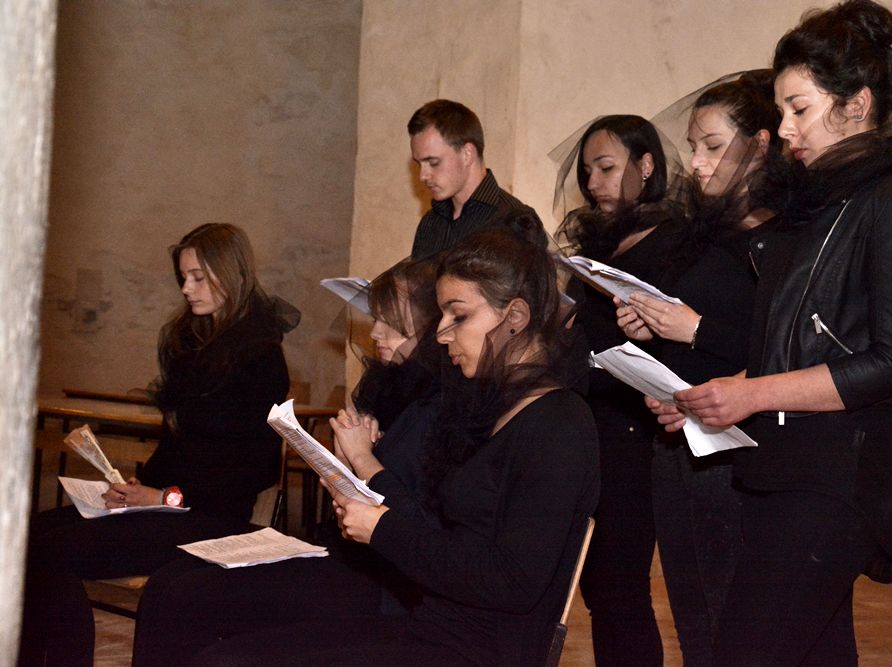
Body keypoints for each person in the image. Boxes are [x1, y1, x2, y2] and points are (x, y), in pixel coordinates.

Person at [648, 1, 892, 663]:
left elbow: (891, 362)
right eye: (781, 109)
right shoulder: (814, 207)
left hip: (839, 477)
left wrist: (755, 393)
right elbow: (792, 348)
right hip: (779, 468)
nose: (785, 126)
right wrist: (712, 396)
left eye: (799, 107)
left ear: (856, 105)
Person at [137, 228, 599, 666]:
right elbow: (440, 533)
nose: (440, 333)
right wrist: (365, 488)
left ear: (515, 317)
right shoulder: (495, 410)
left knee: (225, 659)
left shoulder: (559, 425)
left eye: (458, 316)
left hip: (476, 652)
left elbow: (511, 582)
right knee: (216, 648)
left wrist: (381, 529)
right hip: (434, 627)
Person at [132, 255, 446, 666]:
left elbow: (416, 516)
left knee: (189, 602)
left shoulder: (441, 403)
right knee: (170, 584)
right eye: (376, 317)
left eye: (391, 321)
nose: (375, 332)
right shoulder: (390, 387)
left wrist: (363, 458)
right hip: (348, 552)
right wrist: (343, 462)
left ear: (429, 326)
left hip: (385, 580)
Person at [18, 223, 296, 666]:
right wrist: (137, 485)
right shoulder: (196, 342)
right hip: (169, 505)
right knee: (24, 536)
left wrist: (165, 496)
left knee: (49, 553)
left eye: (198, 277)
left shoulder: (260, 356)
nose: (186, 288)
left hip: (211, 517)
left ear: (232, 274)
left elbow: (252, 470)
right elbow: (179, 444)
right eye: (182, 277)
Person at [613, 72, 782, 666]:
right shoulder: (706, 232)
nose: (697, 162)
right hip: (680, 444)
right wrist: (653, 340)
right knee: (690, 612)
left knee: (734, 624)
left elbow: (785, 353)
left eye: (712, 145)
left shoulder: (787, 237)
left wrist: (697, 329)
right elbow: (691, 342)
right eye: (692, 146)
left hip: (741, 457)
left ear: (761, 145)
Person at [553, 114, 682, 667]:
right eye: (588, 172)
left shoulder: (678, 239)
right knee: (599, 588)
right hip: (591, 426)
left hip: (642, 433)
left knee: (620, 585)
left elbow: (689, 341)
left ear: (646, 165)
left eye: (607, 167)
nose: (594, 183)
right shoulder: (595, 239)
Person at [408, 99, 544, 259]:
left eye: (433, 162)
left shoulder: (516, 221)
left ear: (467, 154)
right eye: (419, 164)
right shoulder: (430, 222)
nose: (423, 176)